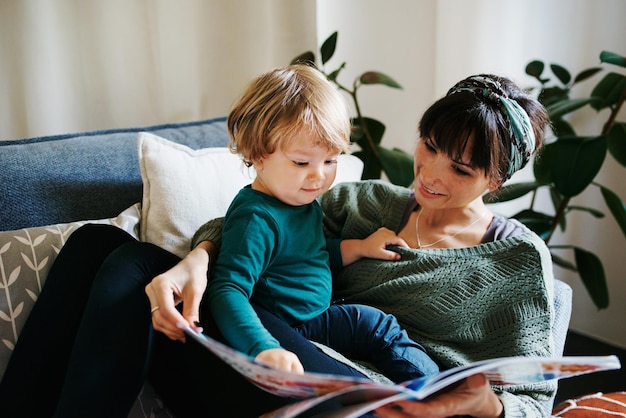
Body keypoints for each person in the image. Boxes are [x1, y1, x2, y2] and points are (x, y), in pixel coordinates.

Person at [0, 72, 553, 418]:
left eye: (458, 167)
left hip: (364, 398)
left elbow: (535, 395)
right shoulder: (367, 202)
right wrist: (197, 259)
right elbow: (260, 222)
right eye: (428, 146)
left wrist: (489, 406)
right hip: (268, 359)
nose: (430, 174)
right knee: (101, 246)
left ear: (497, 180)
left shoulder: (517, 260)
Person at [206, 65, 439, 381]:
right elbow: (228, 289)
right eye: (302, 162)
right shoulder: (256, 218)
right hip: (296, 324)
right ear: (258, 155)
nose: (319, 175)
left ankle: (429, 384)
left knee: (381, 329)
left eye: (330, 160)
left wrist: (358, 248)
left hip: (316, 311)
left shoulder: (299, 201)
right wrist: (263, 347)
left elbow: (307, 256)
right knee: (376, 326)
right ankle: (440, 391)